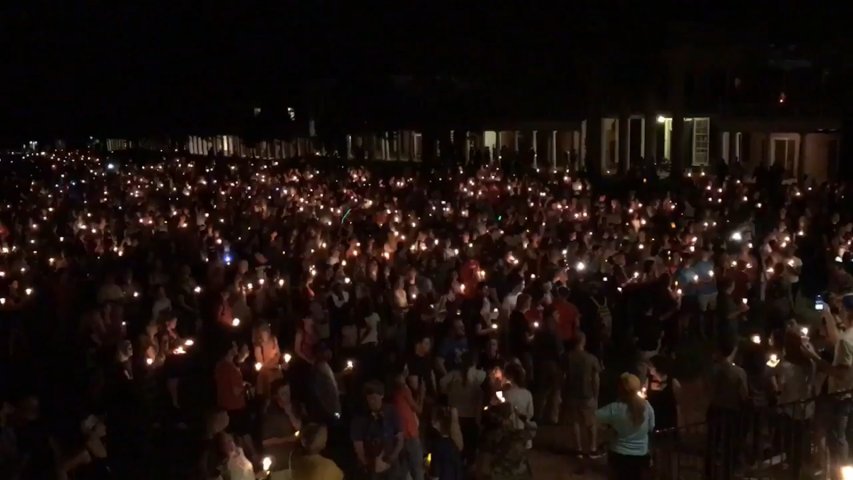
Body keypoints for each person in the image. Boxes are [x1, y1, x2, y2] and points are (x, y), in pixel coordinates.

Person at [596, 373, 655, 480]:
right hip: (641, 455)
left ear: (620, 389)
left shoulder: (614, 408)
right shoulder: (647, 407)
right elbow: (651, 427)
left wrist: (608, 429)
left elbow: (593, 418)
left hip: (619, 455)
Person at [706, 340, 748, 480]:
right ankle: (728, 471)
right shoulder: (738, 372)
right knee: (731, 443)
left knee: (712, 442)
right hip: (731, 410)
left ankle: (709, 472)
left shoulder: (713, 370)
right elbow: (744, 394)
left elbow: (707, 390)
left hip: (715, 409)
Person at [562, 332, 601, 472]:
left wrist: (563, 392)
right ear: (583, 341)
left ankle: (578, 449)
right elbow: (595, 379)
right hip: (587, 394)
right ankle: (592, 448)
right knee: (591, 422)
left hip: (572, 393)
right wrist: (596, 395)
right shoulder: (591, 358)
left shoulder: (567, 357)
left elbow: (563, 377)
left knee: (575, 422)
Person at [439, 351, 485, 466]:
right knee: (470, 451)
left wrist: (449, 392)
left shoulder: (453, 375)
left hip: (455, 418)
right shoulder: (480, 375)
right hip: (471, 418)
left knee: (455, 449)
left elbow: (441, 384)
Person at [350, 381, 404, 479]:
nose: (371, 402)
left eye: (374, 398)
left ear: (382, 395)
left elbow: (400, 438)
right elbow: (358, 446)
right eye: (369, 399)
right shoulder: (360, 418)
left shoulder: (391, 411)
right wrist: (369, 464)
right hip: (372, 466)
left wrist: (391, 459)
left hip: (391, 463)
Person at [260, 380, 302, 478]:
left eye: (288, 392)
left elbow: (300, 428)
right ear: (276, 396)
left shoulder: (295, 406)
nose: (288, 396)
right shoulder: (271, 414)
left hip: (294, 458)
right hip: (279, 461)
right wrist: (287, 439)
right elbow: (265, 442)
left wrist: (290, 413)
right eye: (283, 394)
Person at [390, 371, 425, 480]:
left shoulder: (392, 394)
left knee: (404, 469)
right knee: (417, 468)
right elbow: (418, 409)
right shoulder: (403, 390)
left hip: (400, 435)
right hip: (410, 433)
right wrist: (422, 393)